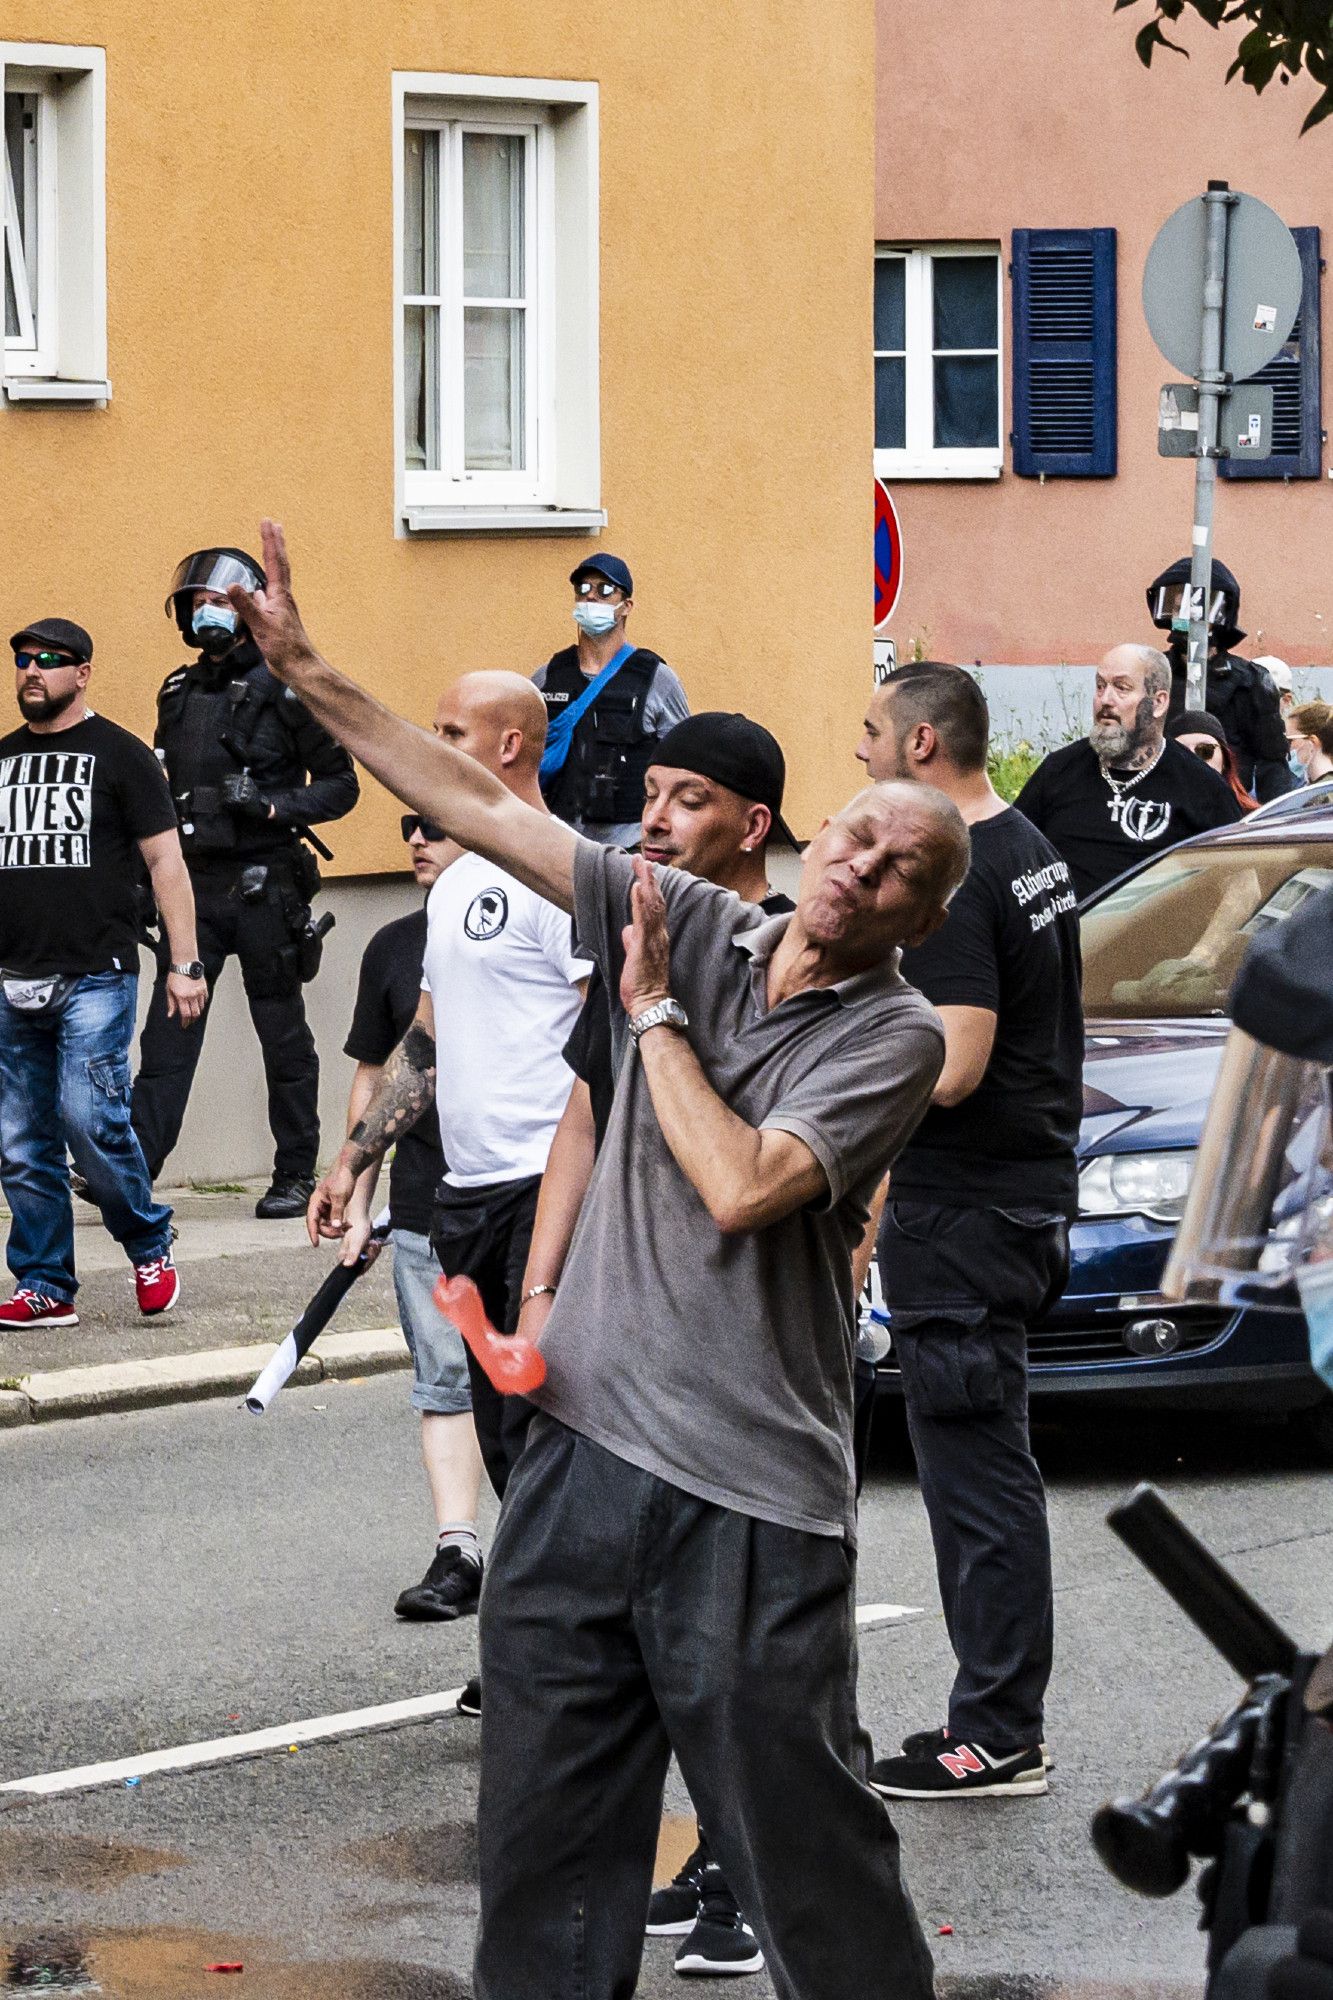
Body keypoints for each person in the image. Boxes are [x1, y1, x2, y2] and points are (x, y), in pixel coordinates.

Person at [227, 518, 968, 2000]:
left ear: (920, 914)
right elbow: (478, 803)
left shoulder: (890, 1034)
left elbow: (744, 1186)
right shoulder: (680, 914)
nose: (863, 870)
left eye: (899, 871)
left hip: (748, 1495)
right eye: (858, 838)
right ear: (815, 837)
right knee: (547, 1855)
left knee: (799, 1851)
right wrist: (311, 671)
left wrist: (650, 1020)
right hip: (576, 1462)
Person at [518, 710, 793, 1981]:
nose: (654, 816)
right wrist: (539, 1288)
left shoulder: (794, 958)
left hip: (743, 1384)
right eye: (650, 792)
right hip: (610, 1363)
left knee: (748, 1677)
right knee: (611, 1664)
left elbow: (824, 1180)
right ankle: (675, 1882)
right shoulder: (633, 939)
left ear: (752, 821)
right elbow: (586, 1112)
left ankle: (751, 1880)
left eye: (687, 799)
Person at [856, 663, 1082, 1800]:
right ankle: (1001, 1717)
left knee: (976, 1479)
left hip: (965, 1206)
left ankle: (995, 1731)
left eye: (871, 731)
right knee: (995, 1464)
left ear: (923, 740)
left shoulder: (955, 870)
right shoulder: (1030, 843)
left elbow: (954, 1064)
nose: (859, 749)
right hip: (1019, 1191)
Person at [307, 670, 590, 1512]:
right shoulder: (460, 879)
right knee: (504, 1436)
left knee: (553, 1429)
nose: (433, 750)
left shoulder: (558, 870)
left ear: (510, 746)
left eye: (451, 734)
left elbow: (606, 1049)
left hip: (545, 1194)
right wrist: (354, 1160)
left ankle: (580, 1622)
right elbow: (425, 1040)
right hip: (462, 1197)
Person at [131, 548, 359, 1219]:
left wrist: (270, 807)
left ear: (248, 605)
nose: (206, 613)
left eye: (219, 600)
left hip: (264, 885)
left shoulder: (287, 688)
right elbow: (157, 789)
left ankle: (294, 1173)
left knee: (281, 1033)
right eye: (196, 602)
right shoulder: (176, 691)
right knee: (168, 1033)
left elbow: (342, 785)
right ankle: (134, 1167)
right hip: (192, 889)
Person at [0, 618, 207, 1328]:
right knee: (21, 1145)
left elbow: (166, 864)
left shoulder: (120, 756)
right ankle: (45, 1284)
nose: (33, 671)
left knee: (90, 1122)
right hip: (11, 977)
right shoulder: (1, 761)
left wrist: (185, 963)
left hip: (97, 972)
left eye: (49, 661)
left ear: (82, 672)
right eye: (24, 660)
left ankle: (148, 1240)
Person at [336, 811, 485, 1623]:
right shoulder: (393, 945)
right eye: (408, 826)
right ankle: (457, 1551)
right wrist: (356, 1196)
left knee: (534, 1394)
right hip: (427, 1207)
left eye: (436, 824)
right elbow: (375, 1073)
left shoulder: (529, 922)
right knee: (444, 1383)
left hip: (523, 1207)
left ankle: (550, 1570)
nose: (418, 839)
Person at [1015, 644, 1242, 902]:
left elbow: (1242, 889)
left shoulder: (1202, 787)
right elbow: (1010, 855)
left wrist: (1206, 945)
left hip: (1155, 940)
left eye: (1121, 688)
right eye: (1100, 686)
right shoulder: (1059, 769)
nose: (1105, 700)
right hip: (1065, 938)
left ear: (1158, 702)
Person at [533, 552, 689, 846]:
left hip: (628, 846)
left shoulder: (656, 678)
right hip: (558, 842)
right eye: (582, 589)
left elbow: (683, 763)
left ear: (625, 606)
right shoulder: (548, 677)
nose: (591, 597)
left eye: (605, 590)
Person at [1147, 556, 1291, 802]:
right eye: (1177, 605)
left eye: (1195, 608)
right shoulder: (1152, 674)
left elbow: (1272, 764)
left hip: (1228, 808)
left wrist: (1270, 827)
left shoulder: (1252, 682)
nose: (1185, 616)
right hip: (1162, 802)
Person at [1167, 709, 1258, 813]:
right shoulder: (1153, 816)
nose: (1193, 760)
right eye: (1181, 752)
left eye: (1205, 750)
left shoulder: (1251, 820)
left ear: (1225, 760)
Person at [1286, 701, 1333, 787]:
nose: (1285, 747)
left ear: (1312, 743)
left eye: (1290, 740)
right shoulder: (1312, 787)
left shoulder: (1323, 793)